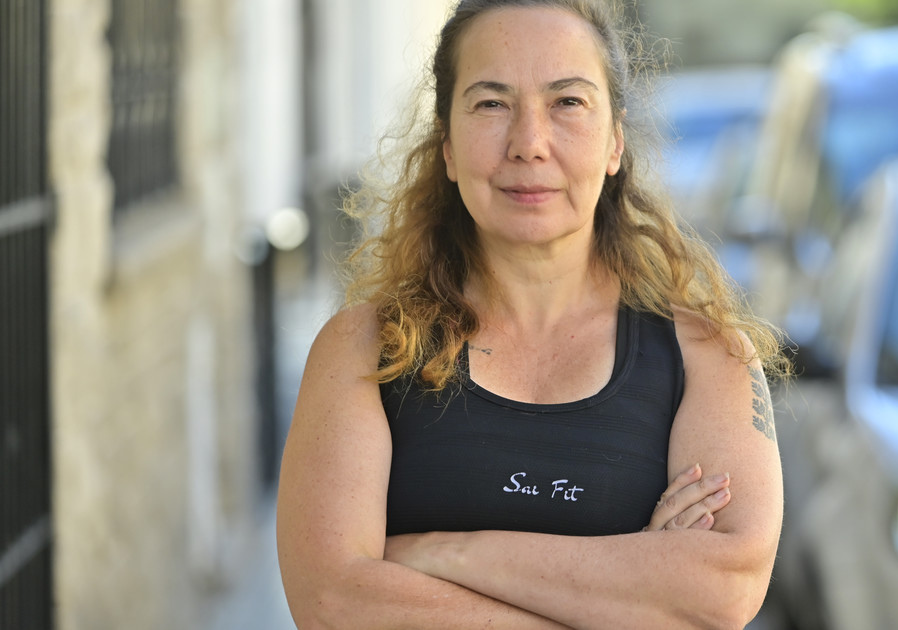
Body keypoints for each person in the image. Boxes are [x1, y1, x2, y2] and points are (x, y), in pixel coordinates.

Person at [276, 0, 787, 627]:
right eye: (492, 104)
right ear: (447, 146)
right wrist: (632, 596)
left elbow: (724, 586)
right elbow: (333, 602)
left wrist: (444, 553)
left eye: (567, 102)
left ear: (615, 141)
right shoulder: (364, 350)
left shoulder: (707, 358)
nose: (529, 144)